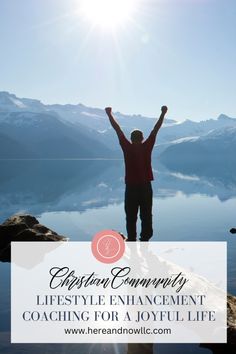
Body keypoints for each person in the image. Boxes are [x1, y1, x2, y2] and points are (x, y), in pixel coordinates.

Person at [105, 105, 168, 241]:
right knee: (146, 214)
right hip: (145, 187)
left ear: (131, 138)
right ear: (143, 138)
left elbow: (118, 130)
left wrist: (109, 114)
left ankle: (132, 239)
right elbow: (155, 130)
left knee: (131, 215)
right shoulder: (147, 146)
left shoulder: (127, 147)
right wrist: (163, 113)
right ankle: (145, 238)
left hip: (131, 187)